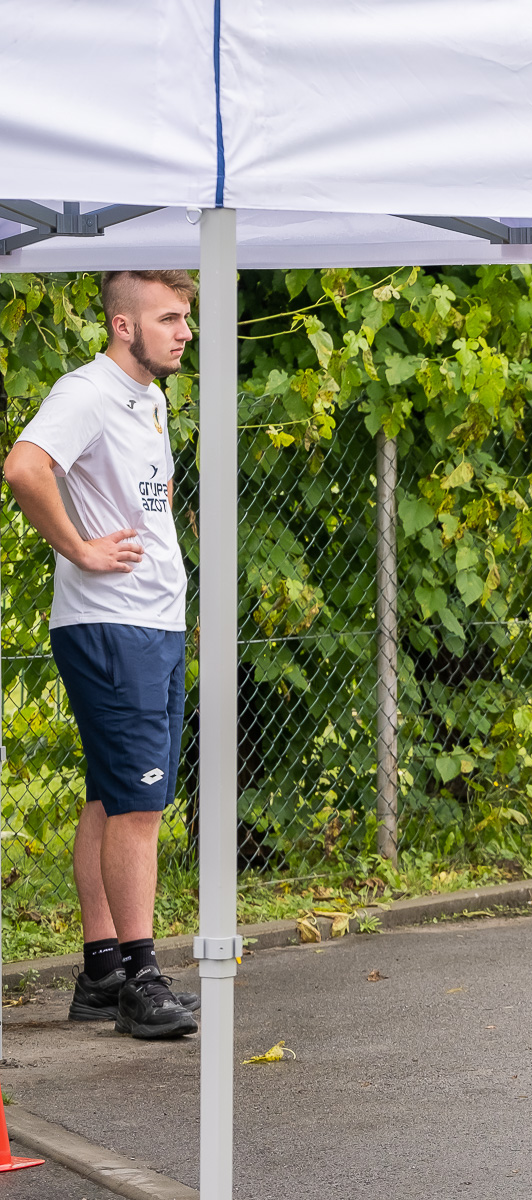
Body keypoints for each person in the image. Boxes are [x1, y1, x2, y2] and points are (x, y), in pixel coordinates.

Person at [4, 270, 204, 1039]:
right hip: (113, 624)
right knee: (141, 805)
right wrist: (80, 549)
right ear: (124, 326)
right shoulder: (86, 389)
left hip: (150, 621)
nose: (185, 331)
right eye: (171, 318)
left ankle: (102, 968)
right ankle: (142, 978)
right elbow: (25, 467)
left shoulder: (148, 397)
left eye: (186, 317)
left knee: (110, 793)